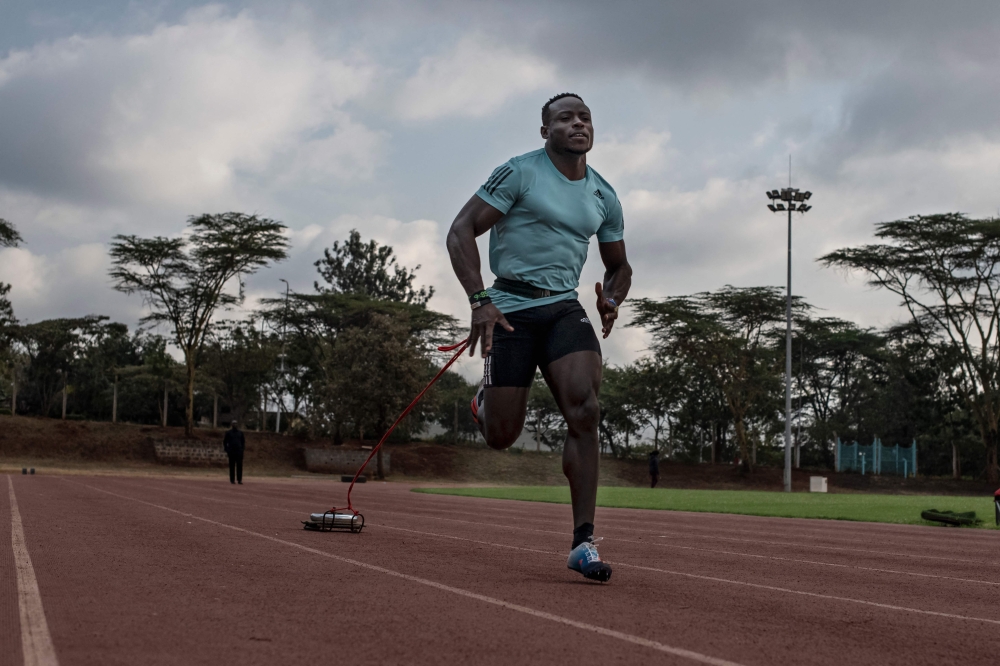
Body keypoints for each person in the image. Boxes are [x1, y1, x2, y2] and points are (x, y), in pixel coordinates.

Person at [446, 92, 632, 582]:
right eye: (565, 117)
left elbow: (619, 266)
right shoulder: (519, 173)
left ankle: (583, 541)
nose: (578, 123)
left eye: (585, 117)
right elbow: (461, 230)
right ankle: (484, 401)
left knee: (586, 408)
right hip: (509, 308)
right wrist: (479, 299)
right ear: (545, 130)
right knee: (502, 436)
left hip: (564, 308)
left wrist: (612, 298)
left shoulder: (603, 195)